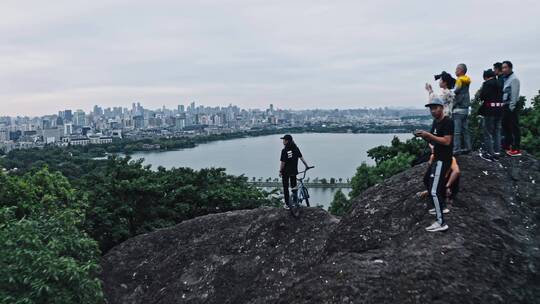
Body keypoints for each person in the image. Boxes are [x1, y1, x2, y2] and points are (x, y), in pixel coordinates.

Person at [414, 98, 454, 232]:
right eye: (431, 108)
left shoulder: (447, 122)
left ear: (442, 108)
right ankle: (441, 207)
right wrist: (424, 136)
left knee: (433, 191)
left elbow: (447, 141)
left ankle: (441, 222)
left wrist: (429, 135)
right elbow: (433, 138)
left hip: (443, 159)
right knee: (426, 180)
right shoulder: (436, 122)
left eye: (435, 108)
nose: (433, 111)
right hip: (437, 157)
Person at [478, 69, 503, 161]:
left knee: (488, 132)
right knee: (497, 131)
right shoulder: (500, 83)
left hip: (489, 110)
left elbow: (482, 97)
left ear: (486, 77)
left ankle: (490, 153)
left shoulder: (487, 84)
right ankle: (497, 152)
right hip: (499, 110)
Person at [279, 134, 310, 207]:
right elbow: (301, 158)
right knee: (294, 187)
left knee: (285, 188)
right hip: (293, 171)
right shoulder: (296, 148)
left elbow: (283, 163)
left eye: (284, 140)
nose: (283, 141)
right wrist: (306, 166)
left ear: (287, 141)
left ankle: (287, 204)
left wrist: (280, 171)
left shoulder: (284, 150)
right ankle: (295, 202)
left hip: (286, 172)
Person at [501, 61, 522, 156]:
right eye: (502, 68)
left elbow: (514, 94)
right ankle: (507, 146)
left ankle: (516, 148)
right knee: (506, 126)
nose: (503, 70)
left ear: (510, 68)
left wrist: (511, 107)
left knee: (514, 127)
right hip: (505, 105)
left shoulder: (514, 79)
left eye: (505, 67)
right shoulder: (506, 79)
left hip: (511, 106)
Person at [452, 63, 472, 155]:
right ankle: (468, 147)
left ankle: (456, 149)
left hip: (458, 109)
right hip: (466, 109)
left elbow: (455, 92)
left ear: (461, 70)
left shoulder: (459, 80)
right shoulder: (466, 80)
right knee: (465, 130)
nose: (455, 71)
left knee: (457, 132)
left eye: (457, 69)